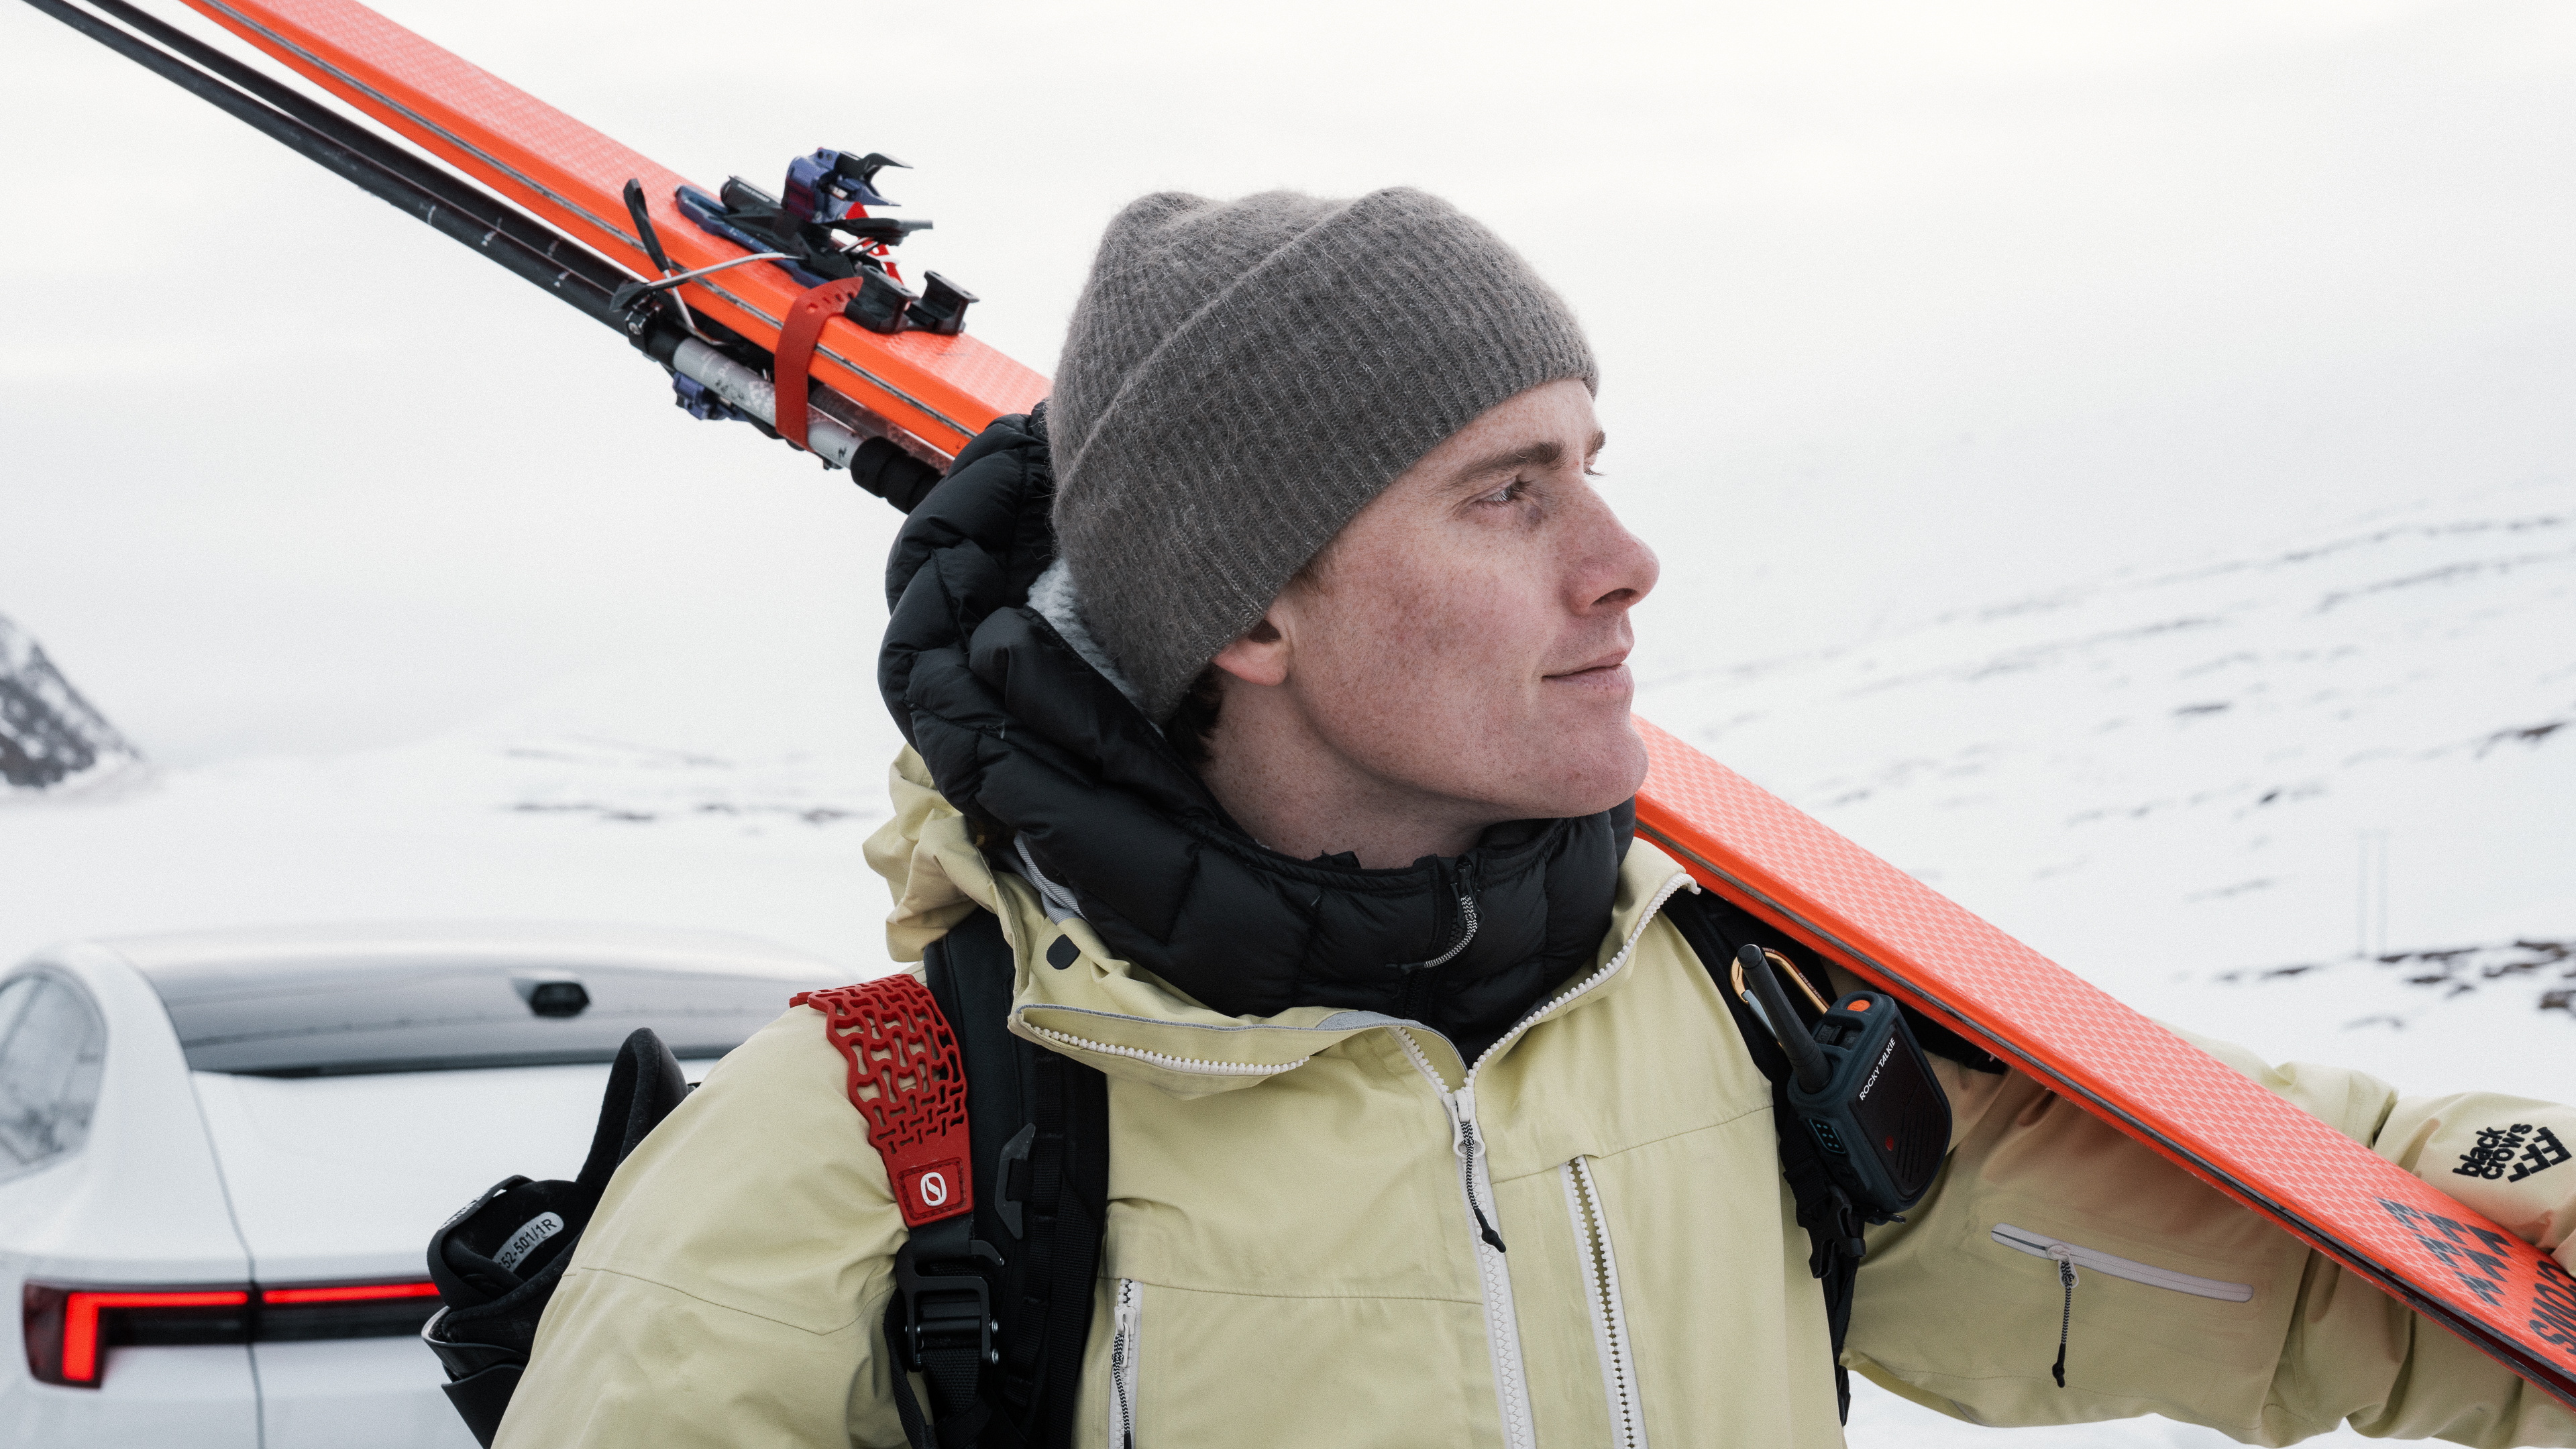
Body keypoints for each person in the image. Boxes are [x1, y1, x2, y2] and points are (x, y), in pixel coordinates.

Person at [497, 188, 2576, 1447]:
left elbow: (2318, 1245)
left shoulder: (1759, 1040)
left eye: (1592, 463)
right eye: (1512, 492)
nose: (1626, 557)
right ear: (1257, 610)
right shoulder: (872, 1151)